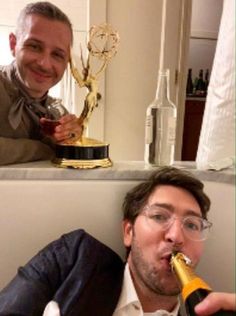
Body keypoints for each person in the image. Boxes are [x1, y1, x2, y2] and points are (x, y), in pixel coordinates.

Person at [0, 166, 234, 316]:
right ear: (129, 232)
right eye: (159, 216)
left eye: (192, 224)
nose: (176, 236)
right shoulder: (74, 257)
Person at [0, 1, 82, 166]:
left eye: (57, 55)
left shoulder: (59, 114)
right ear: (13, 44)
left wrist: (73, 140)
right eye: (34, 46)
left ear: (67, 62)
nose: (44, 64)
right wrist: (45, 149)